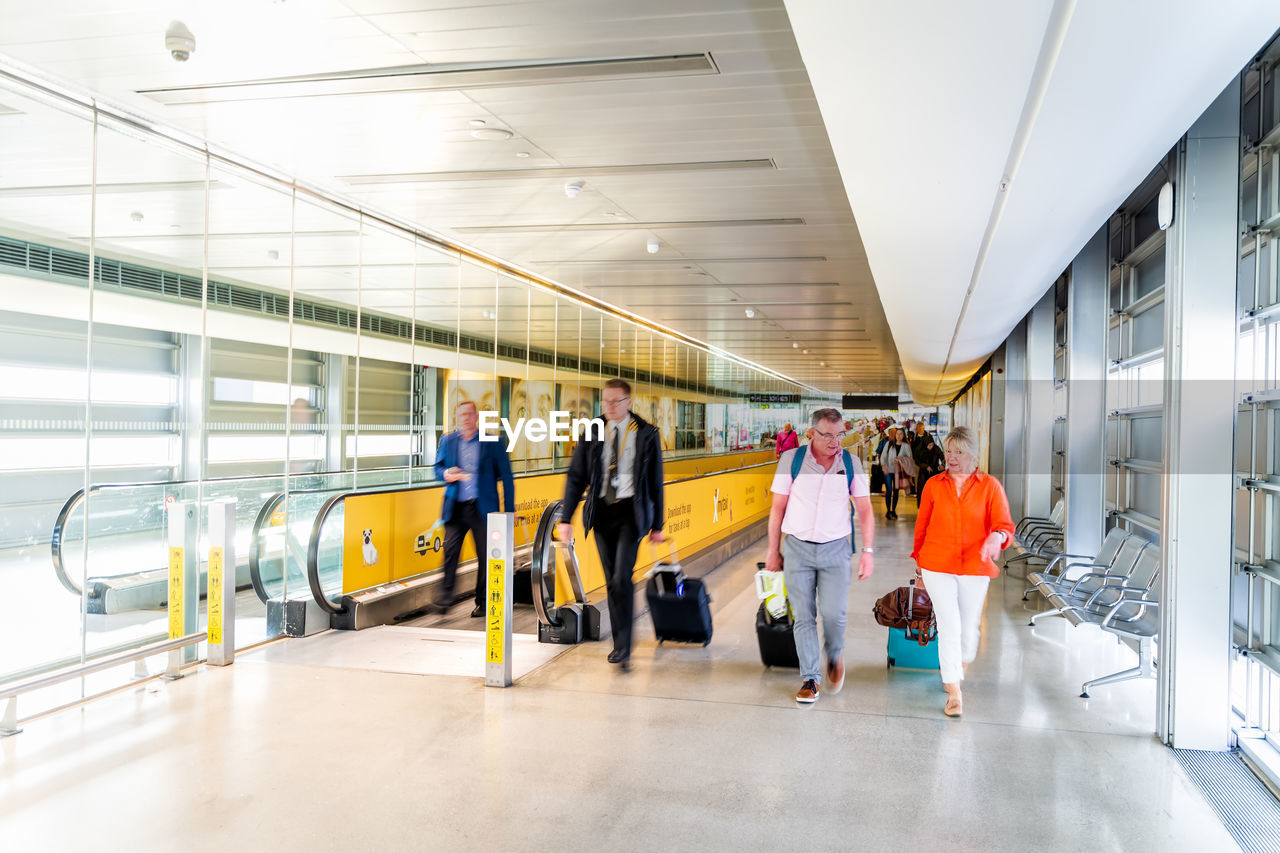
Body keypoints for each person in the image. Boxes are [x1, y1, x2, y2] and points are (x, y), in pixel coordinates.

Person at [764, 408, 875, 704]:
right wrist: (772, 551)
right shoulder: (792, 461)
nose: (835, 441)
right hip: (797, 548)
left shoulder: (851, 463)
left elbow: (864, 510)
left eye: (840, 435)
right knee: (803, 616)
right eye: (827, 435)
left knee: (834, 615)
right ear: (812, 432)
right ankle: (810, 678)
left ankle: (835, 654)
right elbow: (777, 510)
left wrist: (868, 552)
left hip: (836, 548)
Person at [557, 379, 665, 670]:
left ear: (628, 402)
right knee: (612, 581)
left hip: (631, 513)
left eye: (615, 402)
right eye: (605, 402)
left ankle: (624, 645)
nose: (609, 407)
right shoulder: (593, 430)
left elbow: (655, 480)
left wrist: (658, 524)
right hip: (602, 513)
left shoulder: (645, 433)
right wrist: (566, 518)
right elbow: (576, 475)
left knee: (621, 578)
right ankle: (621, 644)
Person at [910, 425, 1015, 717]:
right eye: (949, 451)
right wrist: (919, 565)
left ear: (973, 454)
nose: (951, 457)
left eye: (958, 451)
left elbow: (1005, 526)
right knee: (948, 625)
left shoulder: (989, 485)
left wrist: (997, 537)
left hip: (975, 565)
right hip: (937, 564)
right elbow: (922, 527)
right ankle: (954, 689)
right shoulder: (933, 485)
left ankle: (960, 662)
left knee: (968, 627)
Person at [433, 400, 516, 616]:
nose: (466, 419)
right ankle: (445, 597)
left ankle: (483, 601)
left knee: (485, 555)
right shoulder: (448, 440)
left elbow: (507, 477)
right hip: (456, 507)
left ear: (476, 417)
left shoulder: (494, 441)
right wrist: (445, 474)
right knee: (450, 552)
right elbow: (437, 467)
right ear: (456, 418)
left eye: (470, 414)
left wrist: (509, 510)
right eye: (462, 415)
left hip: (482, 508)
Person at [879, 424, 912, 519]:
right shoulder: (888, 444)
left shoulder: (906, 446)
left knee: (896, 491)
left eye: (901, 434)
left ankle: (893, 510)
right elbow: (883, 456)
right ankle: (888, 510)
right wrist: (883, 466)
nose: (898, 436)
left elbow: (909, 459)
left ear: (903, 435)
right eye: (897, 434)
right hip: (888, 471)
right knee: (889, 490)